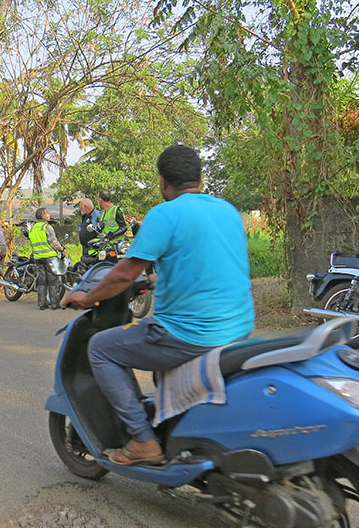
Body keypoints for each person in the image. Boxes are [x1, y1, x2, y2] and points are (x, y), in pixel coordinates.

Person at [62, 144, 255, 466]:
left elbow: (123, 274)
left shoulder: (165, 214)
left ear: (163, 181)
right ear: (200, 178)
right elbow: (206, 265)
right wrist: (156, 282)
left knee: (101, 348)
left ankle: (142, 441)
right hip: (238, 329)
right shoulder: (227, 211)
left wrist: (87, 296)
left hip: (190, 334)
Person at [29, 207, 65, 310]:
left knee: (41, 281)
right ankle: (54, 304)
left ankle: (42, 304)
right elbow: (53, 242)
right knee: (52, 280)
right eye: (47, 213)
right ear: (43, 215)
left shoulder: (33, 228)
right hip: (49, 257)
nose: (49, 215)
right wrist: (62, 249)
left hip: (38, 257)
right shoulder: (46, 227)